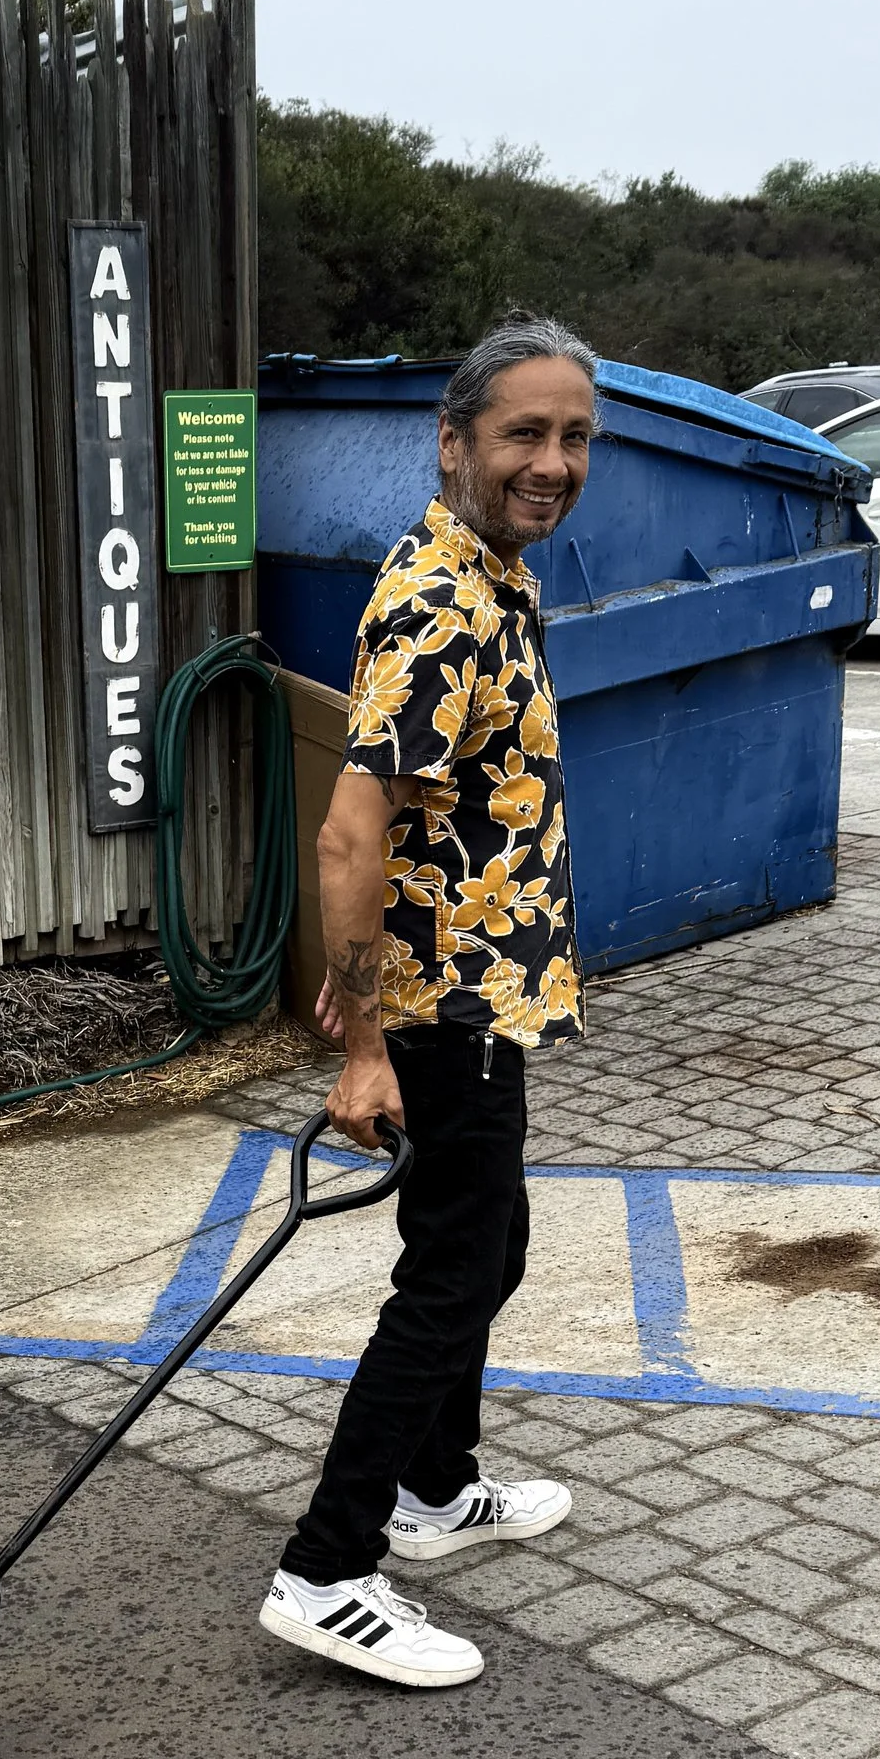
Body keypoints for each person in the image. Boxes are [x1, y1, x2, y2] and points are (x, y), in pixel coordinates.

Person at [258, 314, 598, 1689]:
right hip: (440, 1012)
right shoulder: (445, 604)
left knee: (486, 1248)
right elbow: (348, 837)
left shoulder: (487, 571)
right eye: (523, 432)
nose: (553, 461)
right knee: (452, 1273)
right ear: (454, 441)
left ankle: (434, 1487)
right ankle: (329, 1567)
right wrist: (366, 1049)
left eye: (575, 437)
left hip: (482, 997)